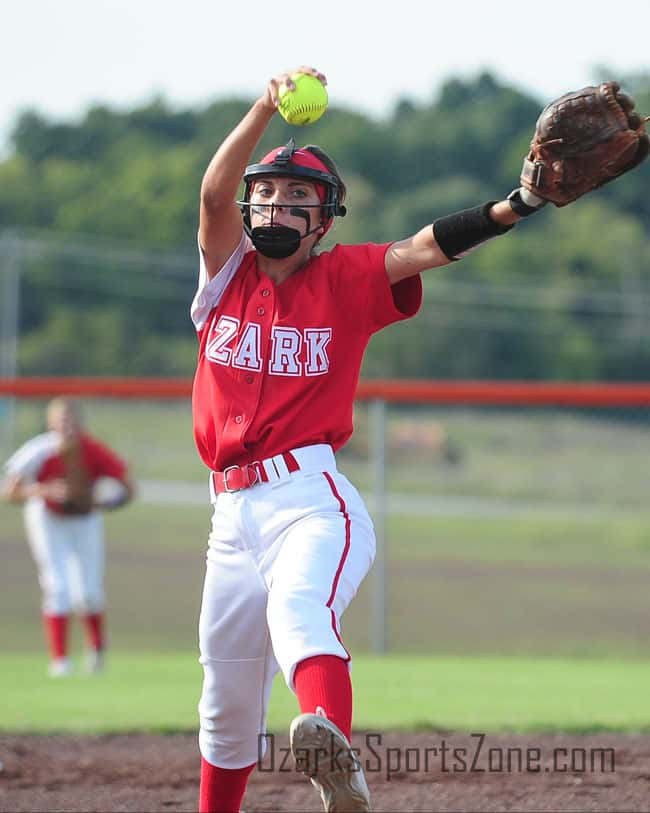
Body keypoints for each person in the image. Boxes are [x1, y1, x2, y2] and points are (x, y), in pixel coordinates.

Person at [190, 67, 641, 813]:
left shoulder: (345, 277)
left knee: (298, 612)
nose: (277, 204)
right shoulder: (222, 278)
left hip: (309, 502)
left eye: (298, 198)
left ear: (323, 220)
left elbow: (426, 247)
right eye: (267, 194)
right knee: (224, 698)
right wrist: (264, 106)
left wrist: (519, 203)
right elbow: (212, 194)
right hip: (228, 518)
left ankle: (329, 740)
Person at [1, 397, 135, 677]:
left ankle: (97, 650)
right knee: (57, 586)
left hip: (84, 520)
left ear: (81, 423)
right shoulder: (38, 450)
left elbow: (127, 487)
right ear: (51, 423)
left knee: (88, 591)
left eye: (72, 421)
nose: (67, 427)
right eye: (62, 421)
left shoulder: (93, 450)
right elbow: (9, 492)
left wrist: (102, 502)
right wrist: (43, 490)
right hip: (47, 518)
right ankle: (60, 661)